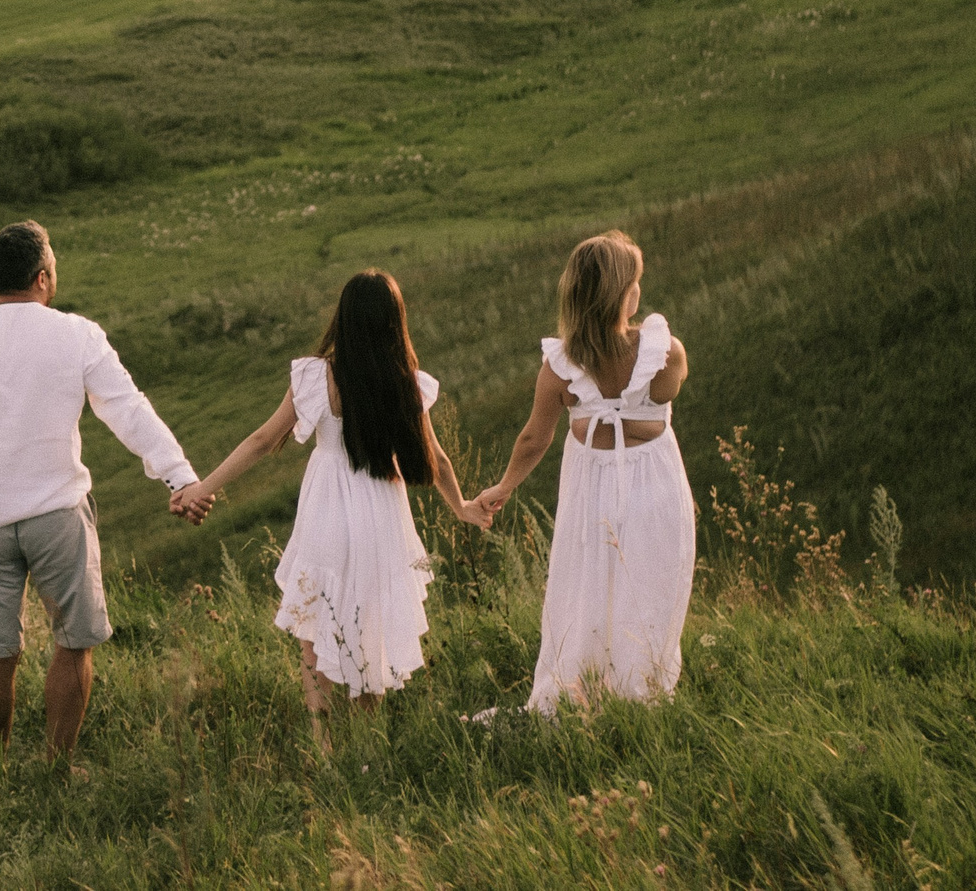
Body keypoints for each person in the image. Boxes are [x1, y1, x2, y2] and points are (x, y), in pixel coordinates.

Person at [0, 220, 202, 758]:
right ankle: (56, 768)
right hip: (58, 513)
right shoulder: (76, 334)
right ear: (43, 277)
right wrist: (180, 476)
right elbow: (128, 410)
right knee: (73, 646)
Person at [174, 269, 487, 749]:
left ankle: (324, 741)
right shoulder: (406, 383)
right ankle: (365, 740)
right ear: (394, 323)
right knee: (371, 623)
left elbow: (263, 441)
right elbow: (437, 459)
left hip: (328, 511)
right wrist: (462, 506)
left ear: (343, 318)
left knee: (315, 625)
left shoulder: (318, 377)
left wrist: (203, 486)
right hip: (383, 512)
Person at [468, 229, 695, 708]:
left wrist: (504, 485)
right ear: (619, 293)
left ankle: (581, 688)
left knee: (586, 587)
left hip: (590, 489)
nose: (639, 290)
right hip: (654, 487)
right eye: (634, 282)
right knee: (651, 586)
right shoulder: (663, 352)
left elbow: (535, 437)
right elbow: (677, 381)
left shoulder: (561, 364)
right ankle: (642, 690)